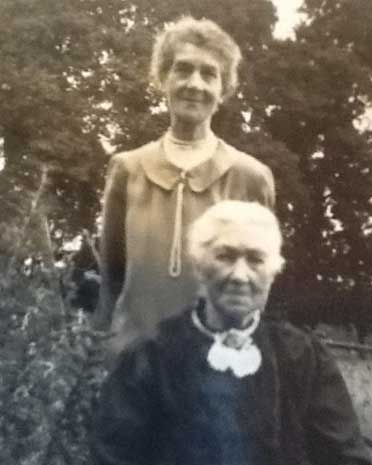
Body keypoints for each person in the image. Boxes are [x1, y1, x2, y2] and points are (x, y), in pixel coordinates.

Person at [86, 201, 372, 465]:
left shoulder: (303, 356)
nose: (240, 275)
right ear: (199, 266)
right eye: (225, 256)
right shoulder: (151, 358)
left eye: (255, 259)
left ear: (273, 271)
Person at [94, 17, 275, 354]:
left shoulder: (250, 177)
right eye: (183, 69)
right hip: (132, 360)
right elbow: (111, 278)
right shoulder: (127, 169)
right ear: (163, 78)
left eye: (209, 74)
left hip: (213, 364)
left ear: (223, 89)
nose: (195, 84)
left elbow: (256, 286)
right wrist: (97, 355)